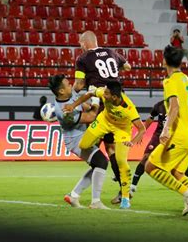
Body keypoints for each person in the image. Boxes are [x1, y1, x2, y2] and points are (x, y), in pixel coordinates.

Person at [145, 45, 188, 222]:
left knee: (150, 167)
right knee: (177, 173)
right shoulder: (186, 79)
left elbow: (174, 107)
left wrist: (166, 128)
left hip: (179, 134)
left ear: (164, 61)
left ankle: (186, 194)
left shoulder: (170, 81)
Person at [63, 81, 146, 209]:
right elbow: (89, 94)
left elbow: (142, 129)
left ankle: (125, 198)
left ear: (114, 97)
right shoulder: (103, 92)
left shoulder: (129, 108)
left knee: (121, 162)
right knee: (83, 145)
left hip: (122, 129)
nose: (103, 94)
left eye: (106, 93)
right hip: (104, 121)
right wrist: (73, 105)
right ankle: (98, 165)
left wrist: (132, 142)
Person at [73, 30, 132, 205]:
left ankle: (82, 191)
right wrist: (114, 70)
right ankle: (123, 191)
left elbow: (79, 84)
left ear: (85, 43)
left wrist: (73, 91)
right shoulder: (111, 52)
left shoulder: (82, 59)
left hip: (100, 102)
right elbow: (128, 67)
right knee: (111, 148)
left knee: (90, 149)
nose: (80, 47)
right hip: (119, 101)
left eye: (80, 44)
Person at [49, 74, 109, 210]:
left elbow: (80, 92)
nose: (71, 85)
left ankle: (74, 195)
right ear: (61, 91)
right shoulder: (64, 112)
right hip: (75, 140)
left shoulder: (69, 95)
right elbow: (91, 116)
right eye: (68, 84)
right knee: (101, 162)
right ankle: (95, 202)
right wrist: (95, 100)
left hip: (83, 135)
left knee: (98, 165)